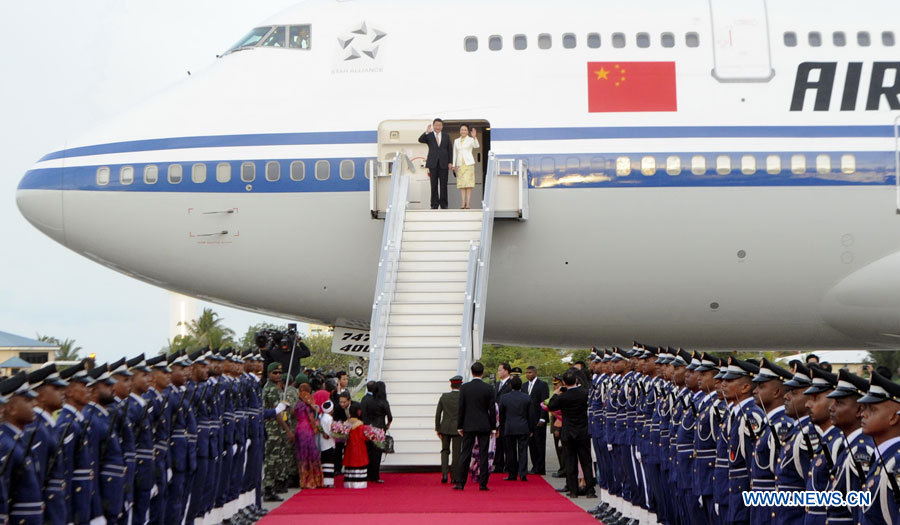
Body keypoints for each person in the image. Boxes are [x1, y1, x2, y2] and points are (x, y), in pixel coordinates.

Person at [857, 371, 900, 525]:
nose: (863, 414)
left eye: (872, 409)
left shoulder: (896, 464)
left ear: (894, 417)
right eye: (864, 408)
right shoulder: (884, 458)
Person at [548, 369, 596, 498]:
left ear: (563, 382)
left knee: (570, 461)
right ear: (576, 380)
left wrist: (556, 393)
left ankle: (573, 490)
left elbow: (551, 406)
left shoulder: (563, 397)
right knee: (586, 461)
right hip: (582, 431)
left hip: (568, 432)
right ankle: (590, 489)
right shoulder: (585, 393)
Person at [455, 362, 496, 491]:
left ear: (471, 372)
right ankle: (483, 483)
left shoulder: (464, 388)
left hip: (468, 424)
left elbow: (461, 408)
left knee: (465, 453)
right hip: (484, 424)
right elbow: (492, 409)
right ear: (482, 372)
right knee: (483, 454)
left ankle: (460, 483)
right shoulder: (489, 388)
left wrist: (459, 425)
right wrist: (493, 426)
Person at [498, 376, 534, 481]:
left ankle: (512, 474)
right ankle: (523, 474)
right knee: (523, 451)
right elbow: (530, 415)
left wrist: (502, 427)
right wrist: (531, 429)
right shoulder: (527, 397)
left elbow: (501, 415)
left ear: (510, 385)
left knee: (510, 452)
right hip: (523, 426)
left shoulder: (504, 397)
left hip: (509, 427)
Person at [418, 118, 453, 209]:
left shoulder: (446, 136)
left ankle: (444, 204)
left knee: (443, 185)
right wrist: (426, 132)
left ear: (442, 126)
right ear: (433, 126)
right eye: (436, 125)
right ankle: (434, 204)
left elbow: (450, 149)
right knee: (433, 185)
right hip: (433, 163)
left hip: (444, 163)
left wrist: (450, 162)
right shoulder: (429, 135)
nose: (438, 127)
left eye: (440, 125)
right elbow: (420, 140)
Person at [294, 383, 324, 489]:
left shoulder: (298, 404)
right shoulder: (308, 403)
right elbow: (312, 419)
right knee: (311, 454)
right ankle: (312, 481)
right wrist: (316, 428)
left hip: (299, 429)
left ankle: (304, 480)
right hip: (307, 430)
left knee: (302, 455)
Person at [361, 381, 392, 483]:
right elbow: (390, 417)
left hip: (368, 429)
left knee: (368, 452)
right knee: (377, 454)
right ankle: (375, 475)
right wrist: (387, 425)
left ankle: (367, 474)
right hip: (380, 428)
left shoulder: (367, 400)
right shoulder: (383, 402)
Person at [435, 375, 462, 484]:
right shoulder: (462, 397)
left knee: (445, 451)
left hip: (445, 427)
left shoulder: (444, 397)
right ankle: (454, 476)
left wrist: (437, 428)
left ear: (451, 385)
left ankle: (444, 474)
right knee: (456, 453)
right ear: (461, 385)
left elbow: (438, 414)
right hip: (458, 428)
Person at [525, 365, 550, 475]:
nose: (528, 374)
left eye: (530, 372)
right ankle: (535, 466)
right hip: (528, 419)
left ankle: (541, 467)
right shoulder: (524, 386)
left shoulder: (542, 385)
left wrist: (543, 418)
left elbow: (544, 402)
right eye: (527, 373)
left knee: (540, 443)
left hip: (539, 418)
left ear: (535, 373)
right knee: (532, 444)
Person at [343, 402, 370, 489]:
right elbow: (364, 437)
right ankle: (359, 483)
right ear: (359, 412)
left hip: (349, 446)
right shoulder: (360, 424)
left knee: (350, 461)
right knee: (359, 462)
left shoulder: (346, 423)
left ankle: (349, 483)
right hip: (359, 447)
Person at [452, 124, 479, 209]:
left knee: (468, 184)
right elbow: (454, 153)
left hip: (469, 164)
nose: (463, 131)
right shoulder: (456, 141)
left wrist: (474, 137)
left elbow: (476, 146)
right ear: (460, 131)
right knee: (462, 185)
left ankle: (468, 203)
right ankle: (463, 203)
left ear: (467, 131)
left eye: (465, 130)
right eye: (462, 129)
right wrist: (453, 165)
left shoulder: (471, 139)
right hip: (460, 165)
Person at [318, 400, 337, 487]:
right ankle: (328, 483)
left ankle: (324, 481)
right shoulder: (329, 418)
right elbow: (331, 432)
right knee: (329, 463)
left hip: (322, 444)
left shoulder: (320, 416)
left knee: (324, 463)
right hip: (329, 444)